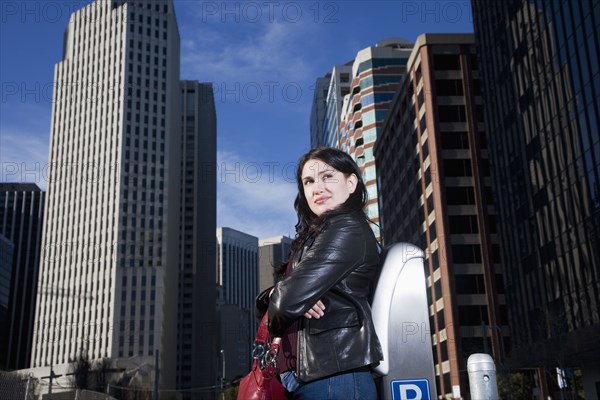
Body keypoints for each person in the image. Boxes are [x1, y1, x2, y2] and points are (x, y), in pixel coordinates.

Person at [255, 147, 383, 399]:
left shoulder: (346, 227)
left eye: (328, 177)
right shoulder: (314, 238)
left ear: (351, 182)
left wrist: (287, 297)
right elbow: (266, 306)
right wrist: (281, 295)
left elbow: (285, 303)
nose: (317, 188)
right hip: (304, 377)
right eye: (309, 181)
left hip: (334, 377)